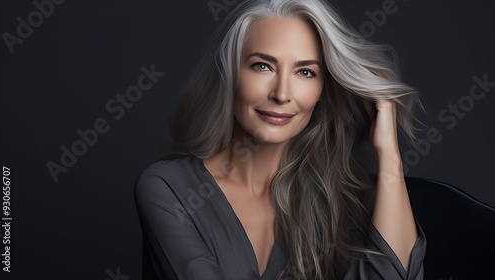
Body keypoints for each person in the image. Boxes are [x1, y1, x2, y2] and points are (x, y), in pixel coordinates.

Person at [134, 0, 426, 279]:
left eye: (305, 72)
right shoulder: (168, 189)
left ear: (324, 89)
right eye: (263, 66)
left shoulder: (331, 196)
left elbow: (392, 274)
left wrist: (389, 155)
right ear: (232, 73)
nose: (282, 93)